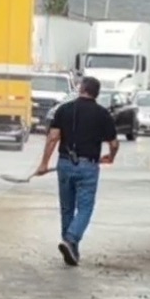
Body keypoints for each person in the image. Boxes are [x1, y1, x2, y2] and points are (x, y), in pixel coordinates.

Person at [35, 76, 119, 266]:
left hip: (64, 164)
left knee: (67, 208)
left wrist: (43, 164)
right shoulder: (102, 114)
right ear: (96, 93)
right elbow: (113, 143)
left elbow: (52, 138)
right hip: (88, 166)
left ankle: (71, 248)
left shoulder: (64, 110)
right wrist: (110, 157)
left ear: (81, 88)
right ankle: (71, 240)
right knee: (85, 208)